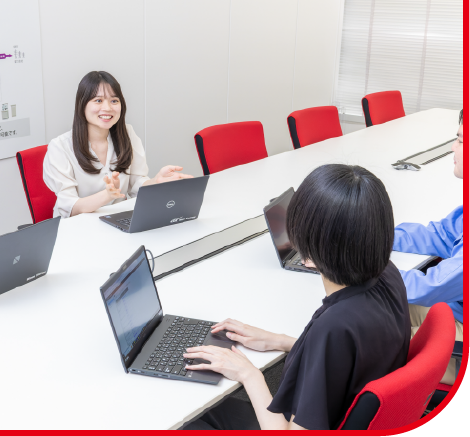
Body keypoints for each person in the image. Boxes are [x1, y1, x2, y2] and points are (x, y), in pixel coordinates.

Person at [183, 165, 410, 430]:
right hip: (363, 414)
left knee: (195, 418)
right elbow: (353, 353)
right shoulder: (388, 275)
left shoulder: (334, 325)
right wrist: (280, 341)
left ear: (308, 253)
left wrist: (249, 374)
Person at [43, 71, 193, 218]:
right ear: (82, 105)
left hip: (117, 220)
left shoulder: (127, 134)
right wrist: (107, 195)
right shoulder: (60, 147)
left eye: (114, 101)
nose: (108, 108)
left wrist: (156, 181)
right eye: (98, 100)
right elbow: (69, 208)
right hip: (76, 226)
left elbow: (136, 184)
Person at [393, 109, 463, 385]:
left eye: (460, 140)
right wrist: (372, 236)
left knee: (367, 340)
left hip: (462, 342)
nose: (452, 147)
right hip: (456, 311)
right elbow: (440, 236)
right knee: (370, 309)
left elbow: (429, 286)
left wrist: (357, 266)